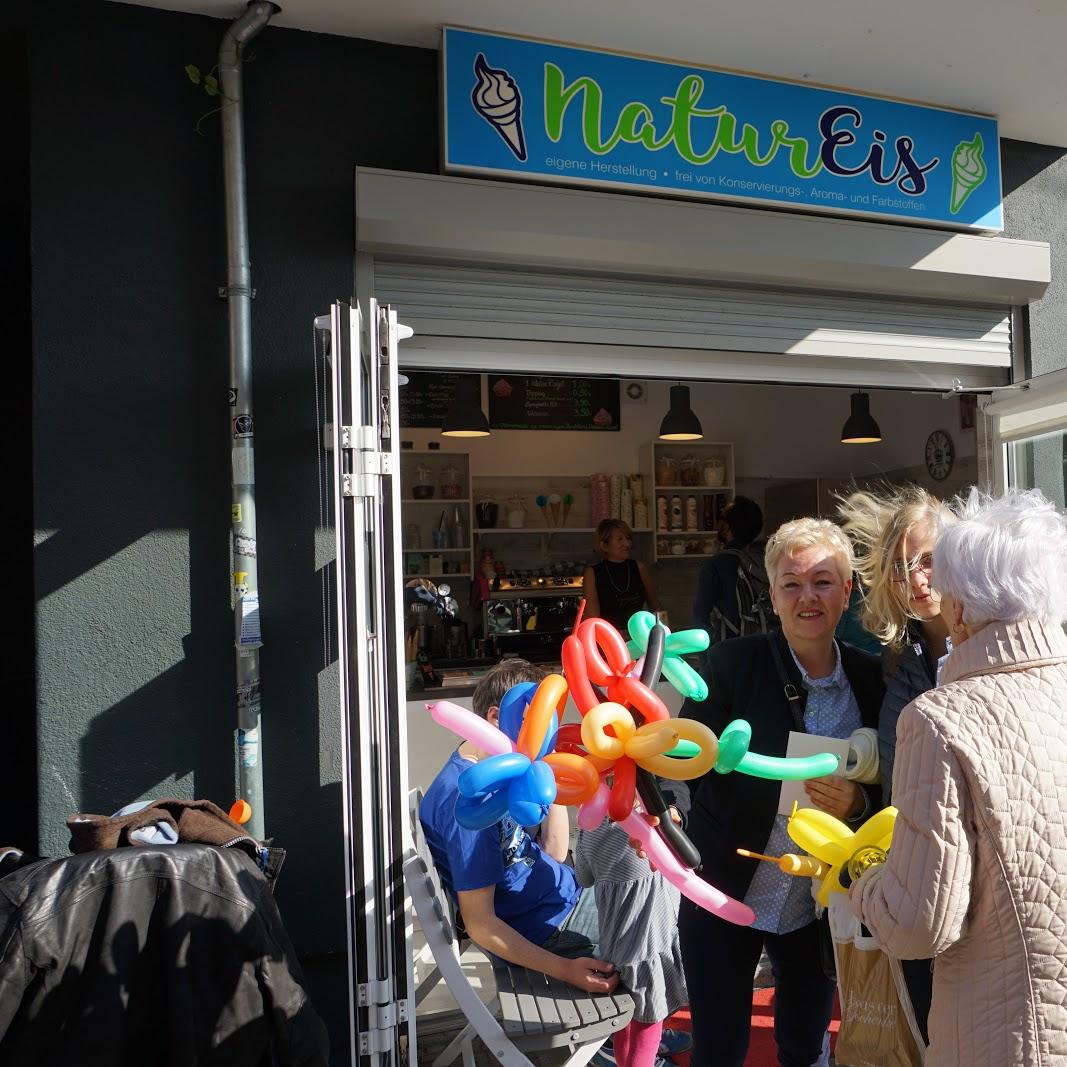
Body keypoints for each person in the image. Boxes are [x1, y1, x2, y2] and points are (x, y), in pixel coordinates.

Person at [850, 489, 1067, 1067]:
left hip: (1004, 1030)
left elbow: (921, 924)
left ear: (962, 607)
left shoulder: (940, 717)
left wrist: (865, 879)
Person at [674, 517, 885, 1067]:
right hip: (725, 889)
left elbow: (899, 787)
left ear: (847, 592)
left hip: (817, 903)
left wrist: (860, 804)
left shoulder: (873, 679)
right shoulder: (729, 665)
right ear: (771, 597)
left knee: (805, 1047)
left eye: (822, 581)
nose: (806, 597)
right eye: (791, 583)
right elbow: (681, 760)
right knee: (719, 1051)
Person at [836, 483, 955, 1046]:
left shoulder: (997, 644)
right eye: (902, 567)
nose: (917, 579)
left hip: (982, 884)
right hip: (913, 871)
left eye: (928, 559)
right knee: (925, 1027)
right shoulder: (898, 659)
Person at [420, 659, 619, 993]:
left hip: (565, 896)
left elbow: (554, 852)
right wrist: (565, 970)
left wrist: (544, 767)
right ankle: (636, 1030)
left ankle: (644, 1021)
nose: (546, 730)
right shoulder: (469, 800)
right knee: (664, 921)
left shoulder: (504, 774)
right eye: (535, 720)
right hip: (550, 930)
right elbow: (480, 924)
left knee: (652, 892)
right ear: (496, 718)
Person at [575, 802, 691, 1067]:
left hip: (615, 950)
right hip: (649, 946)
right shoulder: (647, 829)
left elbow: (584, 878)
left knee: (624, 1024)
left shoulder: (589, 824)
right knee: (647, 1026)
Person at [690, 496, 768, 643]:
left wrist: (708, 662)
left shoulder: (716, 565)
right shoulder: (766, 560)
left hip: (731, 652)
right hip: (767, 649)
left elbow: (700, 619)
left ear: (727, 526)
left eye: (721, 518)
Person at [584, 519, 662, 635]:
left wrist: (663, 632)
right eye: (620, 539)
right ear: (604, 545)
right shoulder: (592, 573)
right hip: (609, 638)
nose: (627, 544)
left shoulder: (639, 567)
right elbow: (592, 617)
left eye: (628, 538)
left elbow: (656, 607)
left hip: (639, 636)